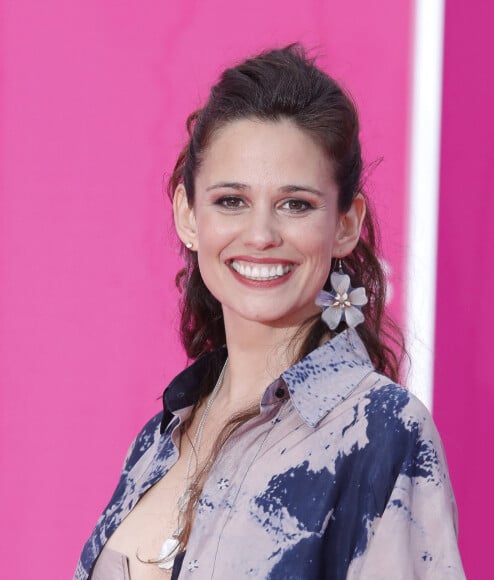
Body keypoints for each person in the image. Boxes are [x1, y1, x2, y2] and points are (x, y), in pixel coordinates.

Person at [75, 45, 465, 580]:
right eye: (231, 200)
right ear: (188, 216)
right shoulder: (157, 438)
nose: (260, 236)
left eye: (295, 204)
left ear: (346, 224)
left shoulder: (381, 432)